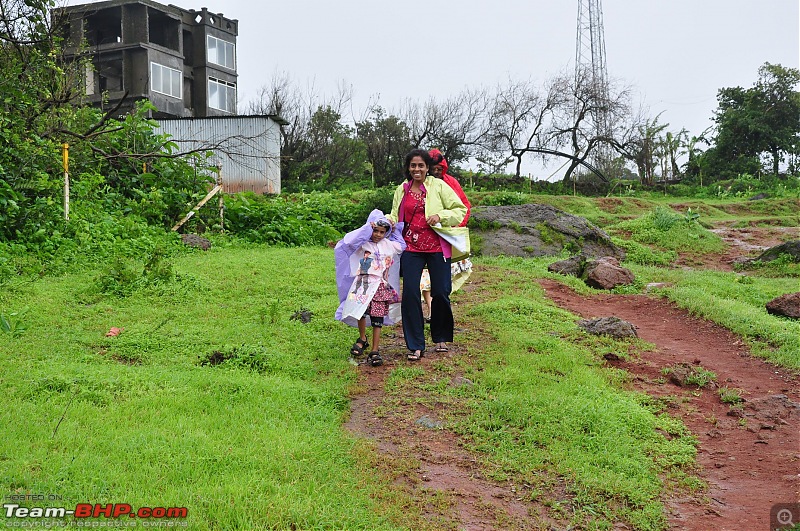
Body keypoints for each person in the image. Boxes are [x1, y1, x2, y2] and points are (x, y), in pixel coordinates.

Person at [386, 149, 467, 361]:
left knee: (440, 292)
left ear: (427, 168)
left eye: (421, 166)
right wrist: (386, 221)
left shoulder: (439, 186)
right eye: (413, 166)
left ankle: (440, 336)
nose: (417, 169)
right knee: (411, 293)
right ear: (408, 168)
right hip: (411, 248)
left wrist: (441, 215)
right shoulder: (401, 190)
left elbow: (460, 210)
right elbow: (394, 215)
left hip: (437, 246)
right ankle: (415, 344)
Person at [334, 210, 405, 367]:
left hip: (380, 286)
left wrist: (393, 230)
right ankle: (362, 338)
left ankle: (375, 349)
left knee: (377, 318)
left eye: (382, 232)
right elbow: (348, 242)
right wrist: (367, 228)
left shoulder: (389, 245)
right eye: (375, 231)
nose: (378, 235)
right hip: (363, 285)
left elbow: (402, 245)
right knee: (361, 311)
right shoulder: (362, 244)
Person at [428, 148, 473, 292]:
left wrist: (457, 225)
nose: (436, 171)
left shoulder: (451, 182)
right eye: (433, 168)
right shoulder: (421, 182)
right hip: (427, 233)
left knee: (447, 271)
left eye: (439, 168)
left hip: (449, 233)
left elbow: (464, 205)